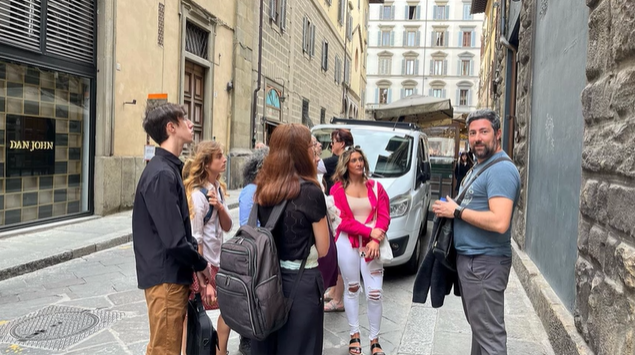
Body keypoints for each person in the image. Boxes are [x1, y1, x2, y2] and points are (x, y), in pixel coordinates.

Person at [432, 109, 520, 355]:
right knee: (481, 332)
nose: (477, 138)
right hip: (473, 263)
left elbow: (500, 221)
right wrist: (450, 209)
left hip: (485, 263)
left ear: (498, 134)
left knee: (490, 337)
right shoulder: (480, 166)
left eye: (484, 131)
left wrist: (457, 211)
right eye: (472, 133)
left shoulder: (501, 170)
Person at [132, 103, 212, 355]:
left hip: (169, 275)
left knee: (163, 347)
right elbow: (175, 240)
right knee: (165, 350)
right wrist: (201, 263)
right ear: (171, 127)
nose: (190, 123)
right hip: (165, 277)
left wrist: (194, 268)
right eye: (184, 119)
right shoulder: (162, 174)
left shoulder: (167, 169)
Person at [250, 123, 330, 355]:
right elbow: (323, 248)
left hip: (265, 280)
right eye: (311, 146)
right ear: (302, 152)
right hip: (301, 282)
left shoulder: (264, 186)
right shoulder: (311, 192)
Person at [330, 146, 391, 355]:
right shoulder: (336, 190)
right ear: (346, 165)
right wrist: (369, 231)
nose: (358, 163)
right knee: (352, 287)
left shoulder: (376, 187)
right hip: (347, 243)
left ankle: (375, 339)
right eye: (353, 160)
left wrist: (376, 238)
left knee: (375, 293)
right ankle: (354, 334)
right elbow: (342, 221)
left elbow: (384, 215)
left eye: (360, 159)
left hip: (372, 246)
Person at [182, 140, 233, 355]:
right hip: (203, 265)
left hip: (217, 263)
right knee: (189, 312)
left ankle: (219, 351)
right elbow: (197, 239)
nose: (224, 159)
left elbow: (227, 225)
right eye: (219, 156)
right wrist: (203, 279)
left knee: (229, 310)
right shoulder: (197, 195)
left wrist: (220, 207)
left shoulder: (217, 189)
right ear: (206, 163)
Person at [322, 129, 354, 312]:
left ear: (342, 143)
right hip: (338, 208)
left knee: (339, 254)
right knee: (336, 253)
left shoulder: (338, 160)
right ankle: (334, 291)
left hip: (339, 212)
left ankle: (338, 298)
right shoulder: (345, 158)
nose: (331, 145)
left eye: (333, 141)